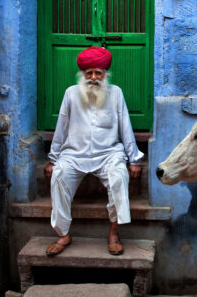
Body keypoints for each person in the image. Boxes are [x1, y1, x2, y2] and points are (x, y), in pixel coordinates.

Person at [44, 46, 144, 256]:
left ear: (105, 74)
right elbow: (61, 126)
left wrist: (134, 159)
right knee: (59, 175)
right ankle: (64, 234)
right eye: (89, 73)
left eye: (98, 72)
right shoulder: (71, 93)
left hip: (109, 154)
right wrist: (53, 159)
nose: (93, 77)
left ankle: (114, 232)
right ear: (82, 75)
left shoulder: (115, 93)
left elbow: (125, 126)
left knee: (118, 175)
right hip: (74, 153)